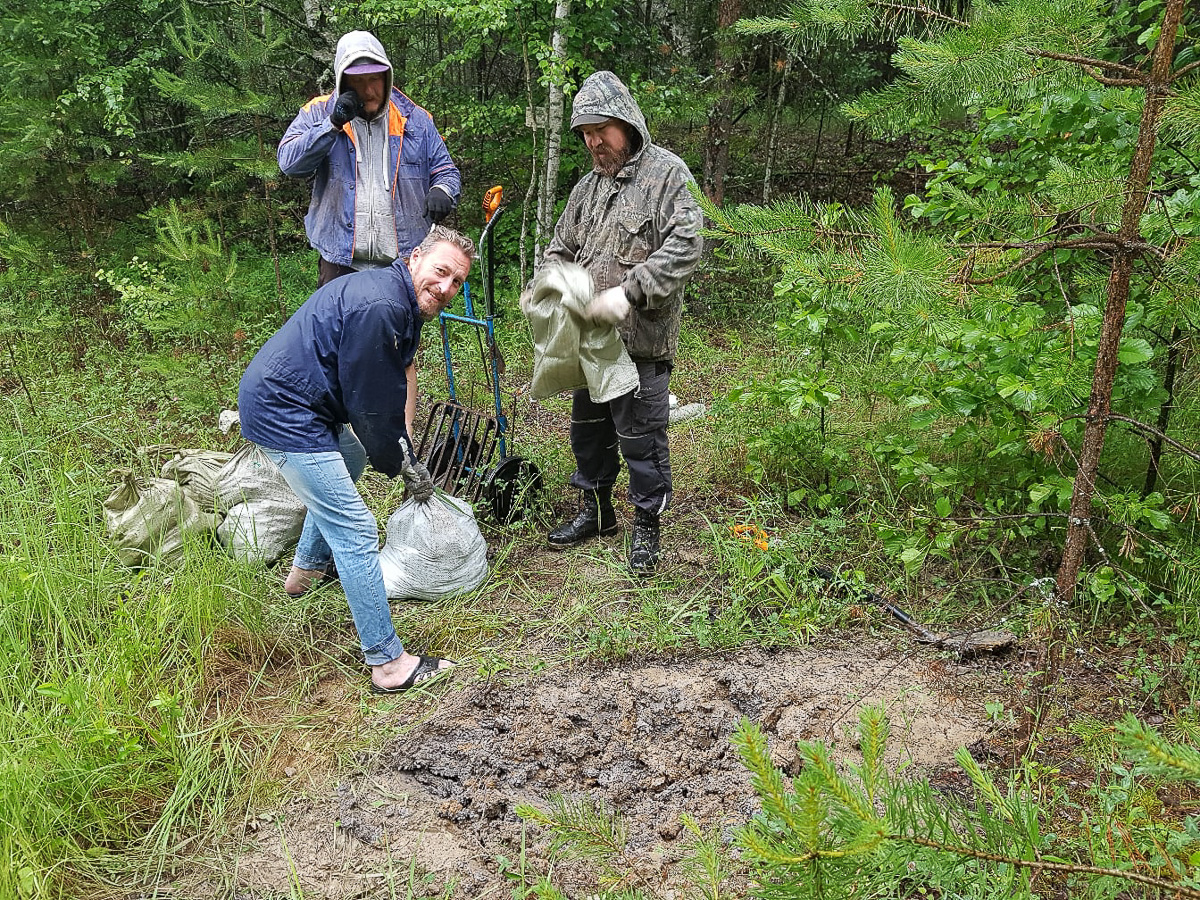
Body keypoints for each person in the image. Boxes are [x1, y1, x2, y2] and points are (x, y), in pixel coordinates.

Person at [237, 226, 475, 693]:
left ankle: (304, 574)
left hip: (304, 403)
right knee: (357, 529)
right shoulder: (381, 306)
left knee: (347, 454)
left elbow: (399, 377)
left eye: (457, 283)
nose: (446, 288)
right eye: (441, 272)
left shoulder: (398, 300)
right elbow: (369, 408)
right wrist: (401, 464)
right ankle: (388, 665)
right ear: (415, 260)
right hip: (284, 411)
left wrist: (401, 442)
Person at [539, 71, 704, 576]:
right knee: (588, 433)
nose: (593, 142)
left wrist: (628, 293)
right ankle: (597, 509)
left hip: (642, 341)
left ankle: (646, 526)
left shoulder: (667, 175)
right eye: (585, 133)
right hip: (590, 343)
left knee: (641, 437)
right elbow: (559, 248)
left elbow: (686, 246)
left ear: (626, 123)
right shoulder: (586, 189)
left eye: (600, 130)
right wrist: (553, 283)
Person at [279, 30, 462, 431]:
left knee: (401, 352)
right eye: (357, 82)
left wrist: (442, 190)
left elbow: (447, 171)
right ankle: (338, 430)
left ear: (387, 77)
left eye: (373, 80)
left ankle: (403, 439)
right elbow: (289, 162)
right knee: (333, 345)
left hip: (398, 264)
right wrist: (331, 124)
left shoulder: (414, 118)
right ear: (343, 81)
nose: (367, 91)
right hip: (340, 257)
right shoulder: (318, 112)